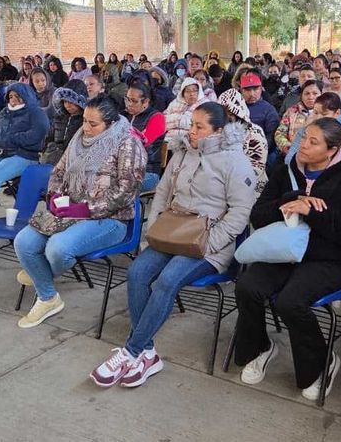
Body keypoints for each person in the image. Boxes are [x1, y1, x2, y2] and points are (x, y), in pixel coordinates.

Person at [90, 102, 255, 387]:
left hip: (210, 243)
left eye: (199, 127)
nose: (191, 131)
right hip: (172, 233)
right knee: (137, 273)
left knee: (167, 280)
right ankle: (148, 353)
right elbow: (163, 193)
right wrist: (153, 231)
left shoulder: (234, 160)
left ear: (218, 131)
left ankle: (131, 351)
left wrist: (210, 243)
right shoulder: (182, 153)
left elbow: (240, 212)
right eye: (191, 124)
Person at [234, 118, 341, 400]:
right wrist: (292, 199)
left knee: (290, 301)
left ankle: (322, 363)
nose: (303, 145)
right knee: (248, 285)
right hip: (283, 253)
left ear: (332, 150)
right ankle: (261, 347)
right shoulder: (285, 171)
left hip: (329, 260)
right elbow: (258, 216)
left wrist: (314, 212)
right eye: (303, 137)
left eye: (313, 142)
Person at [13, 96, 146, 328]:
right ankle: (49, 297)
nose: (85, 127)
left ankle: (42, 280)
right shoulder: (79, 138)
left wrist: (86, 208)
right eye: (84, 120)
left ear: (111, 123)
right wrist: (54, 196)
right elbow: (58, 172)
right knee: (23, 241)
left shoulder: (128, 143)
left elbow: (126, 192)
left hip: (110, 219)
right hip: (70, 211)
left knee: (58, 248)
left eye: (93, 124)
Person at [0, 83, 50, 220]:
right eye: (10, 96)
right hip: (0, 152)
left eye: (17, 96)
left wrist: (13, 139)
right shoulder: (5, 111)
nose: (13, 100)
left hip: (24, 155)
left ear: (26, 96)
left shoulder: (35, 112)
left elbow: (39, 132)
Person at [218, 89, 269, 193]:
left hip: (250, 188)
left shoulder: (254, 131)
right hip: (222, 187)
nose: (226, 116)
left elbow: (257, 166)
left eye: (229, 112)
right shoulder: (218, 130)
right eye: (222, 111)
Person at [122, 83, 166, 192]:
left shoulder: (157, 118)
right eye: (127, 99)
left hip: (148, 171)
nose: (129, 104)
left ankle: (134, 209)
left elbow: (140, 144)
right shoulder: (124, 116)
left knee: (123, 187)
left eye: (134, 101)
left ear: (145, 102)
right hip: (124, 169)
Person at [40, 80, 88, 165]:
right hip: (54, 158)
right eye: (65, 101)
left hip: (74, 160)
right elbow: (50, 137)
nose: (68, 105)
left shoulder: (85, 121)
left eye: (71, 101)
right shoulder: (59, 118)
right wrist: (47, 148)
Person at [275, 80, 321, 156]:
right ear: (301, 96)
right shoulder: (291, 111)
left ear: (321, 94)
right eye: (306, 93)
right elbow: (280, 133)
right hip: (292, 154)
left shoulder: (326, 112)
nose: (310, 97)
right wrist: (289, 148)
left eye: (315, 93)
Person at [163, 77, 208, 146]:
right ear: (182, 93)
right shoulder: (174, 103)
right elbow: (162, 121)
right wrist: (182, 120)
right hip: (168, 141)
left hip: (191, 143)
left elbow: (202, 125)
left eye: (194, 90)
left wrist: (176, 119)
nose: (191, 94)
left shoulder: (205, 105)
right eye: (187, 91)